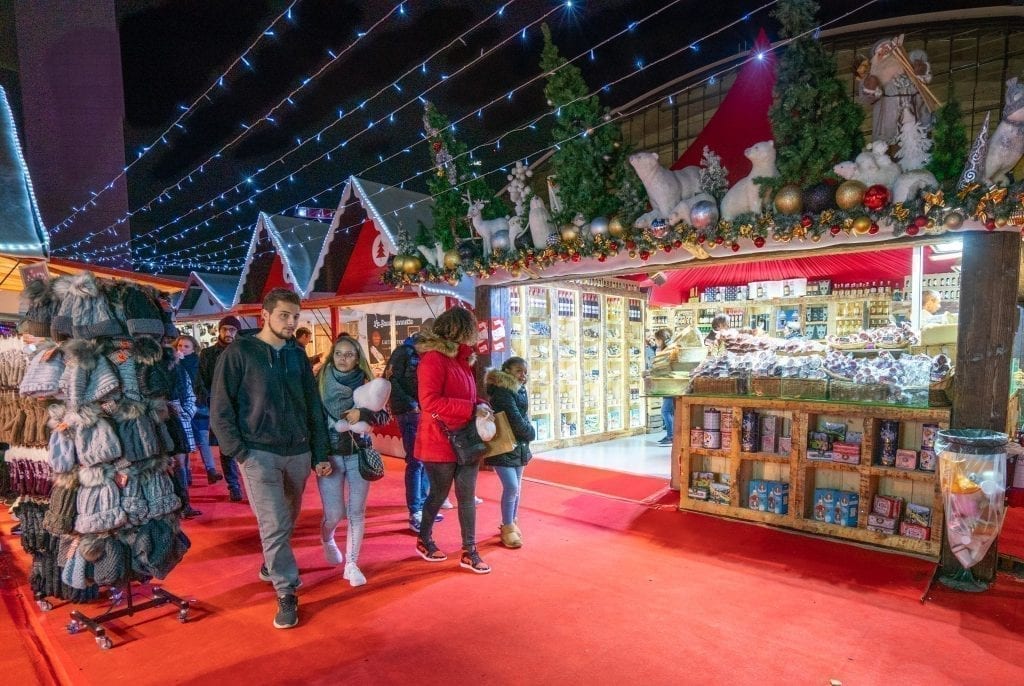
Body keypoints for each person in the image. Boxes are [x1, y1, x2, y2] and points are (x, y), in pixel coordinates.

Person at [210, 288, 329, 629]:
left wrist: (318, 451)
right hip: (258, 453)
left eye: (295, 317)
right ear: (265, 315)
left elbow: (313, 407)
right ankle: (286, 590)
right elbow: (221, 406)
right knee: (275, 523)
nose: (291, 323)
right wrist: (239, 452)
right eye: (284, 316)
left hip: (298, 451)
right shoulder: (240, 352)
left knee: (288, 518)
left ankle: (270, 563)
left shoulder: (297, 355)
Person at [413, 307, 494, 574]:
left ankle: (469, 551)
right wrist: (471, 409)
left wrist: (480, 405)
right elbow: (429, 402)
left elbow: (467, 397)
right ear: (461, 330)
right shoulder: (434, 360)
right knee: (437, 494)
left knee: (467, 496)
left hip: (464, 438)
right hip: (439, 438)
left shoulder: (461, 360)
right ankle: (424, 538)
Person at [315, 335, 390, 586]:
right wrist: (318, 456)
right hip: (331, 456)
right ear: (332, 355)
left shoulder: (368, 382)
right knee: (335, 513)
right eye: (338, 353)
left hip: (359, 454)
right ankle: (327, 537)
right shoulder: (321, 382)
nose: (343, 359)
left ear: (358, 357)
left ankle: (352, 563)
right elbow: (312, 421)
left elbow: (384, 418)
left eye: (349, 354)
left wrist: (364, 413)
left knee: (357, 512)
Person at [384, 318, 447, 533]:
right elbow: (390, 380)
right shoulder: (404, 353)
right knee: (416, 460)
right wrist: (411, 405)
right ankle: (416, 510)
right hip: (409, 411)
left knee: (426, 459)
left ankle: (423, 505)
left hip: (424, 410)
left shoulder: (424, 354)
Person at [484, 357, 535, 549]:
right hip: (504, 445)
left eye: (524, 371)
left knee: (517, 487)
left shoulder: (519, 389)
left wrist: (526, 434)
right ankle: (507, 526)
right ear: (507, 371)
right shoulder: (503, 391)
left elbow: (521, 416)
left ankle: (513, 521)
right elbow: (515, 418)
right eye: (518, 371)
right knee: (512, 487)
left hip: (518, 445)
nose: (523, 375)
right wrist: (530, 432)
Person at [199, 315, 244, 502]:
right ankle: (233, 486)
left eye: (232, 330)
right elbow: (200, 380)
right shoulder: (208, 354)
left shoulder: (244, 352)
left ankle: (248, 484)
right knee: (226, 449)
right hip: (220, 407)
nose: (228, 333)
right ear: (219, 330)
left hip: (244, 408)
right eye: (225, 329)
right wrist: (210, 402)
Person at [174, 334, 223, 485]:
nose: (182, 349)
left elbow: (204, 382)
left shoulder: (198, 363)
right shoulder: (174, 364)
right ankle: (187, 473)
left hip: (199, 407)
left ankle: (210, 470)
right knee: (186, 441)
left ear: (194, 349)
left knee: (203, 439)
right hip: (182, 408)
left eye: (186, 346)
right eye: (180, 346)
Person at [654, 328, 674, 446]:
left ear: (661, 339)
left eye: (656, 339)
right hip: (668, 382)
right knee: (669, 411)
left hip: (670, 383)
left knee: (665, 410)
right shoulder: (667, 349)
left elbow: (663, 365)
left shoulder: (668, 350)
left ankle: (671, 436)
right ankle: (670, 435)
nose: (656, 342)